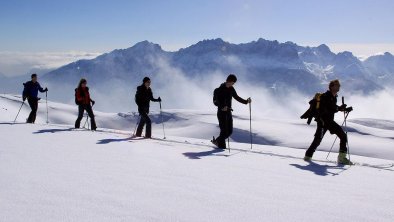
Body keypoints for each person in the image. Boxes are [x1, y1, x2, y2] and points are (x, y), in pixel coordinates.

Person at [304, 79, 353, 165]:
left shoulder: (333, 97)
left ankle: (341, 158)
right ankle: (308, 156)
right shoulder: (326, 96)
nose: (338, 87)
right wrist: (340, 108)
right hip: (323, 122)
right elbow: (329, 108)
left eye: (339, 85)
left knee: (342, 136)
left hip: (329, 122)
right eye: (337, 85)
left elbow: (332, 108)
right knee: (318, 140)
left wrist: (342, 109)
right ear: (331, 86)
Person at [212, 74, 251, 149]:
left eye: (233, 83)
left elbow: (237, 97)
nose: (233, 84)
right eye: (232, 82)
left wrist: (246, 101)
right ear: (228, 81)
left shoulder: (231, 89)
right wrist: (222, 107)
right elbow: (215, 102)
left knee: (229, 132)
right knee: (223, 131)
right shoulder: (218, 90)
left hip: (228, 112)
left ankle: (217, 141)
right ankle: (221, 148)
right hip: (221, 113)